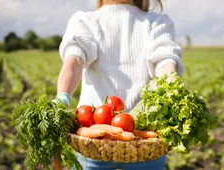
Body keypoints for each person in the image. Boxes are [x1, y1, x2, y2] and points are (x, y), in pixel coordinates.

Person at [56, 0, 184, 169]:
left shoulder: (85, 21)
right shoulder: (156, 22)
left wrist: (63, 97)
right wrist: (171, 89)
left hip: (96, 142)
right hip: (141, 145)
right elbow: (164, 62)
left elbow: (75, 61)